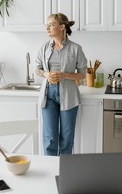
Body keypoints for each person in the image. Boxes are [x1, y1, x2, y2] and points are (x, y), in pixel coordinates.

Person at [35, 13, 87, 156]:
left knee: (66, 139)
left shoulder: (76, 49)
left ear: (62, 27)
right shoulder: (44, 48)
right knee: (50, 137)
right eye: (47, 25)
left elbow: (82, 73)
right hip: (48, 95)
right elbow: (37, 69)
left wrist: (64, 75)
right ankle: (50, 171)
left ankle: (65, 172)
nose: (48, 28)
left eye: (51, 24)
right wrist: (46, 74)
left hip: (69, 95)